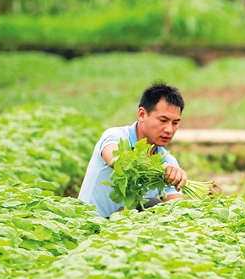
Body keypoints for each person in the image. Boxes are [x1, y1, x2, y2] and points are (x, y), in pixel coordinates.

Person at [78, 82, 187, 217]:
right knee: (151, 205)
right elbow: (115, 160)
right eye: (163, 120)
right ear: (142, 114)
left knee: (166, 213)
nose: (169, 130)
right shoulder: (116, 137)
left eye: (175, 123)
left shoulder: (168, 162)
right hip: (90, 227)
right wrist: (159, 167)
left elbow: (175, 209)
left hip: (127, 233)